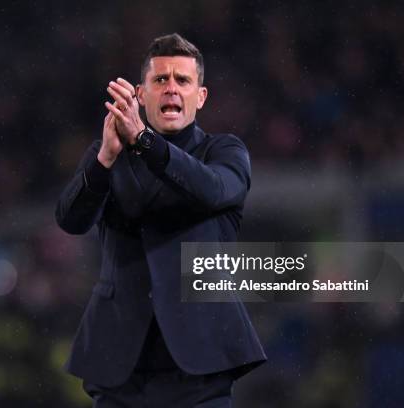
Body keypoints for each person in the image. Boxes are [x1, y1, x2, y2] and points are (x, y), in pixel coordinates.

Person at [56, 33, 266, 407]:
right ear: (140, 94)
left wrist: (144, 141)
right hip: (121, 366)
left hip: (200, 368)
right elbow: (71, 220)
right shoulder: (110, 153)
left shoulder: (224, 151)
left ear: (200, 96)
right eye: (160, 80)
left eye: (182, 80)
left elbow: (212, 190)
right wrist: (103, 159)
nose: (171, 88)